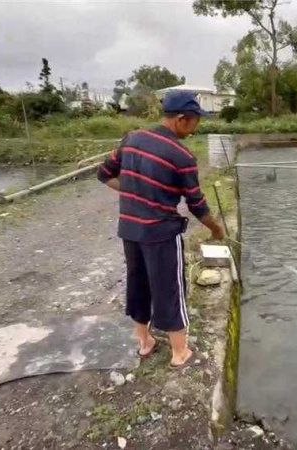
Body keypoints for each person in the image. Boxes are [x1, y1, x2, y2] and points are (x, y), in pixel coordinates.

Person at [97, 90, 224, 369]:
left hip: (130, 230)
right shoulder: (181, 155)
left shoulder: (132, 139)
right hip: (161, 233)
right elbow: (197, 204)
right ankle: (180, 353)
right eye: (196, 121)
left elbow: (104, 174)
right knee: (169, 288)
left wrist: (133, 190)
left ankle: (144, 342)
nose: (196, 127)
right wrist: (216, 230)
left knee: (138, 283)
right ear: (182, 119)